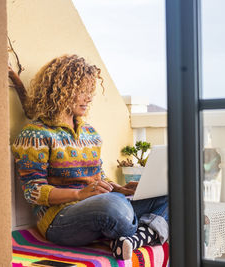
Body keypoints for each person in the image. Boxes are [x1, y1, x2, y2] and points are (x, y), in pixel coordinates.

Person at [10, 54, 168, 260]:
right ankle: (151, 229)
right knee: (113, 206)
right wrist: (79, 195)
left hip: (101, 206)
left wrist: (120, 188)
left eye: (90, 91)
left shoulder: (90, 133)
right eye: (82, 91)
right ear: (61, 90)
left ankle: (131, 240)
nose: (89, 97)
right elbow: (33, 191)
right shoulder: (35, 134)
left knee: (170, 196)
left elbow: (98, 176)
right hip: (60, 219)